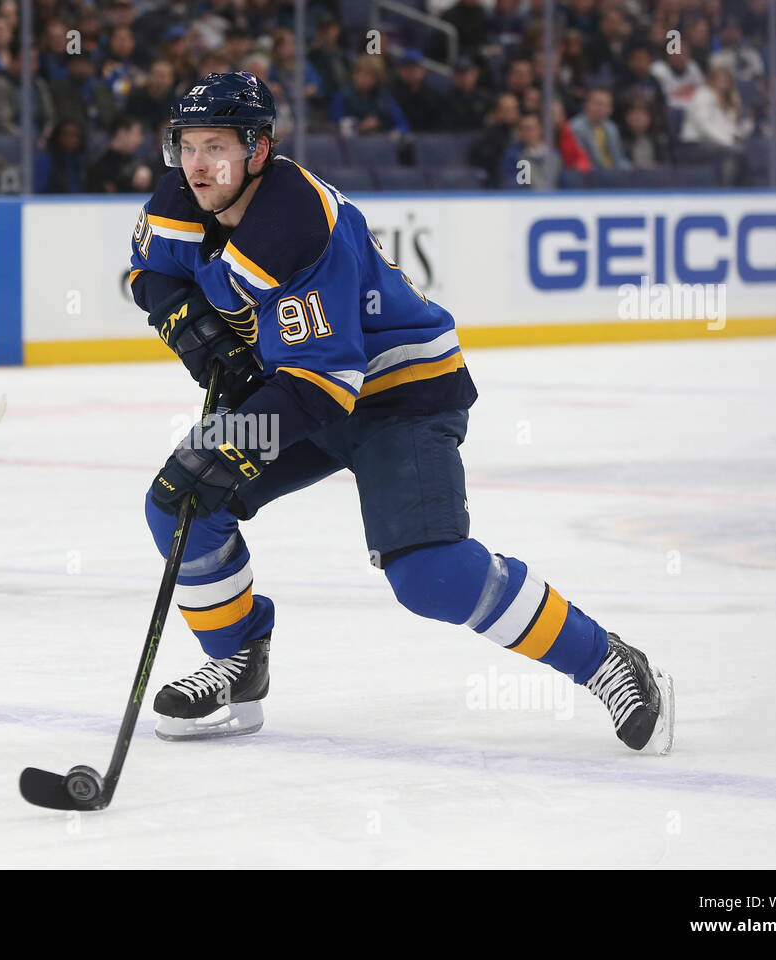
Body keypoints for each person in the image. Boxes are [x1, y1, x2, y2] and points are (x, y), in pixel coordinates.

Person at [128, 72, 675, 754]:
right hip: (303, 384)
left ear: (259, 150)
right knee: (179, 501)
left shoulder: (297, 226)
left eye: (217, 146)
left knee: (430, 576)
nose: (199, 162)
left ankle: (609, 662)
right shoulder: (183, 195)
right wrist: (185, 319)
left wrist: (235, 443)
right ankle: (239, 668)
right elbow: (147, 269)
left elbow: (323, 387)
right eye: (187, 145)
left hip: (399, 393)